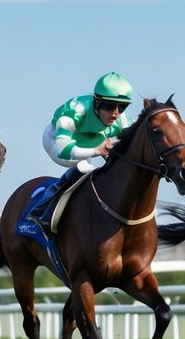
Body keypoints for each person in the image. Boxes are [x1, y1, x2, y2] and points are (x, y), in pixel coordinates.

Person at [23, 72, 134, 229]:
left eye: (122, 107)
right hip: (57, 141)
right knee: (83, 167)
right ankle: (42, 210)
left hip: (92, 143)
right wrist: (97, 151)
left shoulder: (122, 120)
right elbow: (64, 151)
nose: (115, 113)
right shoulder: (76, 109)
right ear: (97, 102)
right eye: (110, 106)